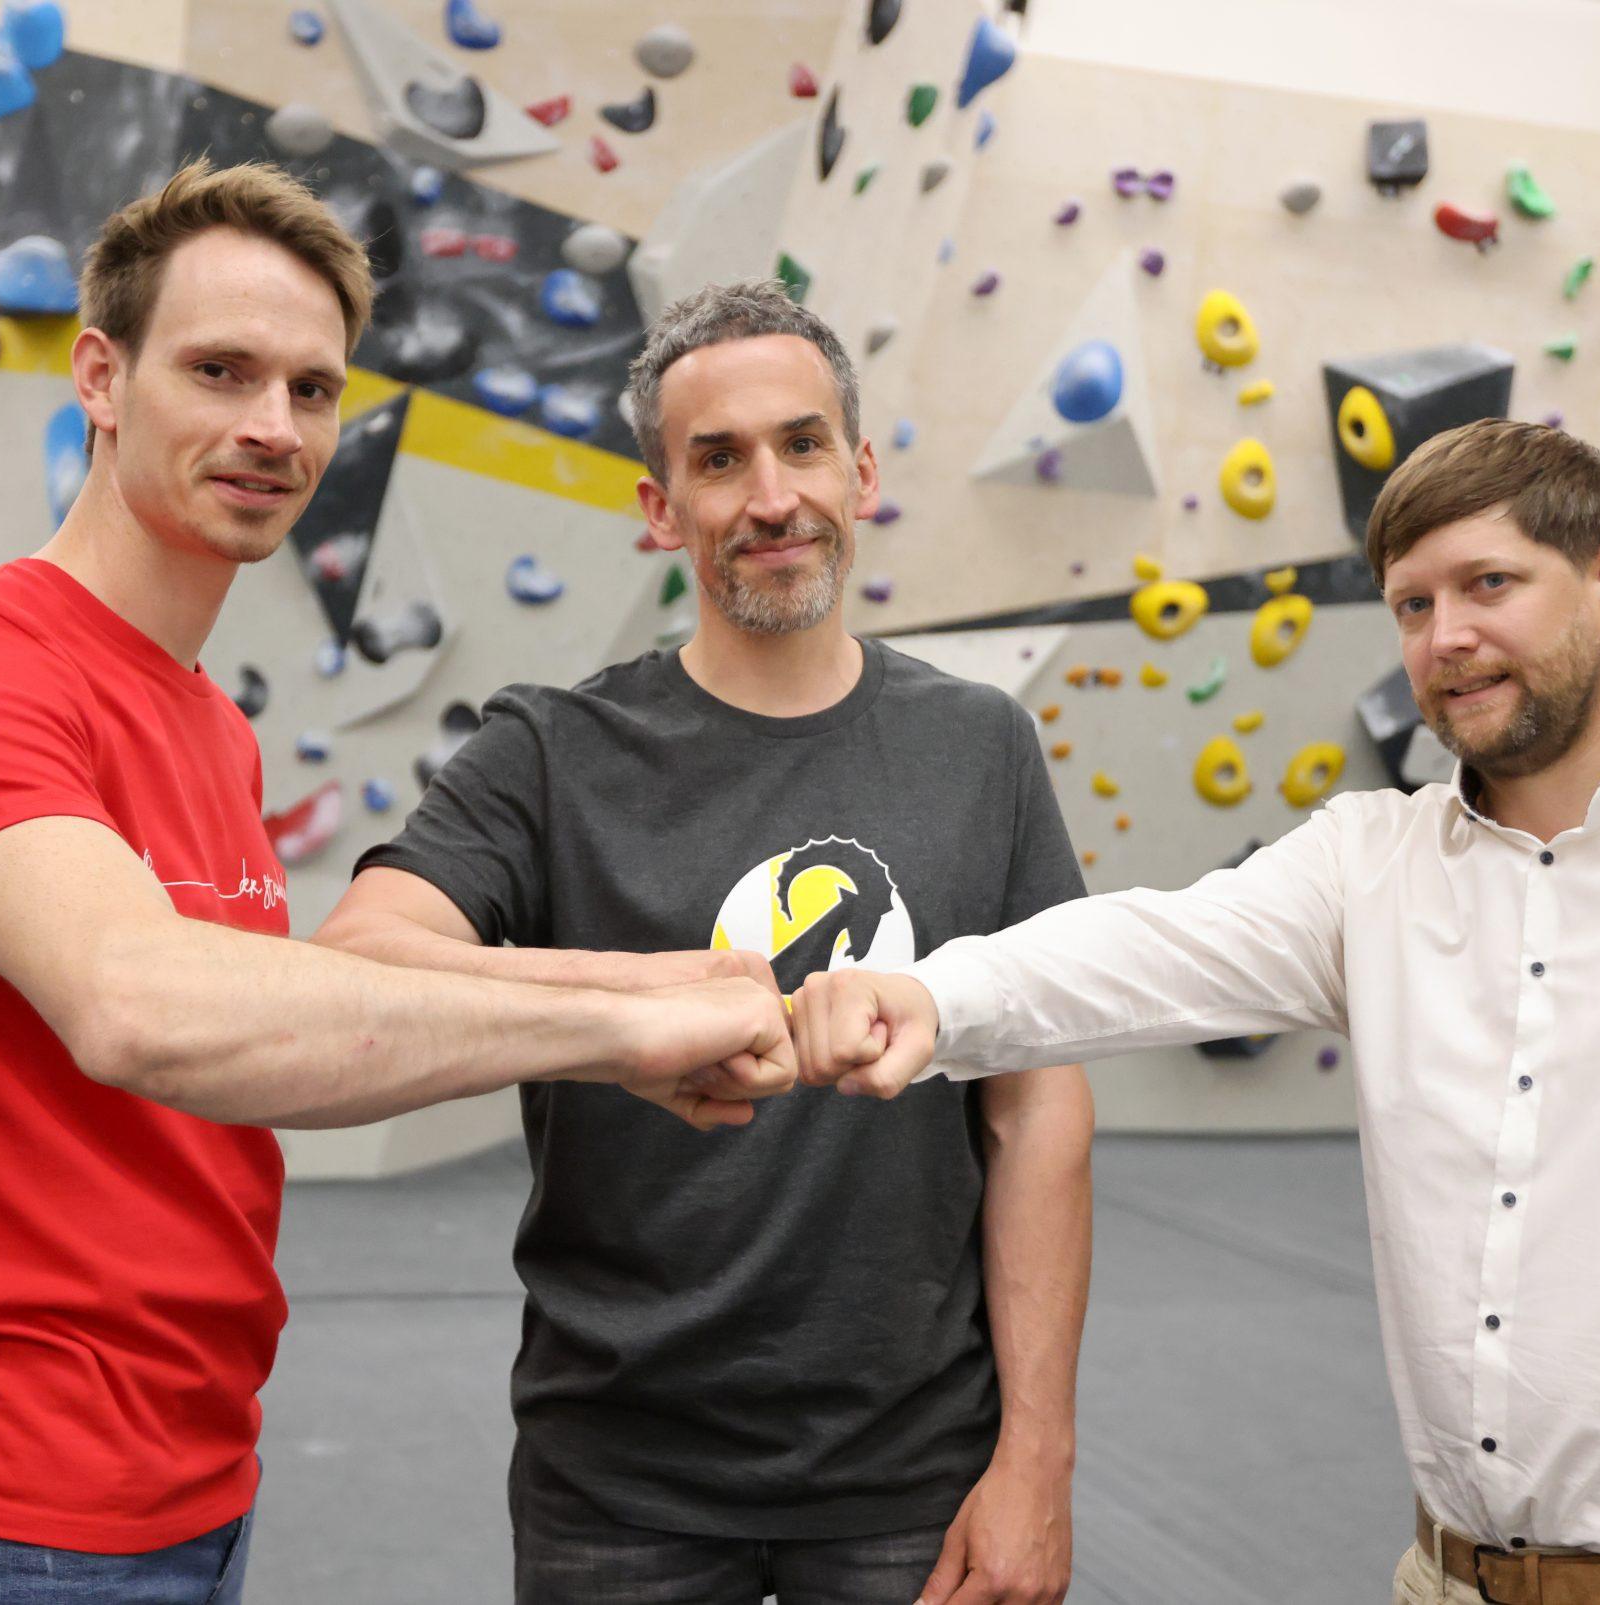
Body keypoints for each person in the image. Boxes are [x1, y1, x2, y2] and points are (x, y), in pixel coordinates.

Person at [793, 419, 1600, 1605]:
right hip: (1449, 1578)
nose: (1446, 639)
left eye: (1490, 585)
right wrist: (924, 996)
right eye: (1412, 605)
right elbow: (1144, 948)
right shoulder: (1369, 864)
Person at [0, 162, 792, 1605]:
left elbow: (295, 1011)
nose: (274, 425)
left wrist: (660, 984)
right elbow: (143, 1008)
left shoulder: (208, 722)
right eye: (220, 371)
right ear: (101, 376)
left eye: (312, 389)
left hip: (185, 1468)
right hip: (2, 1493)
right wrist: (621, 1030)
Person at [314, 279, 1095, 1605]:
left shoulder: (982, 747)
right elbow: (358, 964)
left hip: (915, 1474)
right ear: (660, 507)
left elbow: (1040, 1109)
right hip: (620, 1480)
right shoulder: (550, 750)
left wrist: (1039, 1457)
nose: (771, 497)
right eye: (719, 460)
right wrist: (631, 1009)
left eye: (802, 445)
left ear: (861, 472)